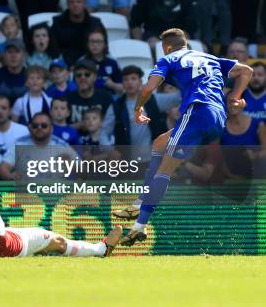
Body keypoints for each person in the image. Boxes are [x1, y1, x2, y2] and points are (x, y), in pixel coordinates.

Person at [119, 28, 253, 246]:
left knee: (165, 169)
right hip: (219, 119)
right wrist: (236, 97)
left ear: (167, 47)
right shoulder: (209, 57)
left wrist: (137, 109)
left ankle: (139, 226)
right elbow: (246, 70)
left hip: (197, 111)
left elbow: (147, 89)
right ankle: (139, 202)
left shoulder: (169, 58)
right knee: (159, 143)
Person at [108, 65, 178, 156]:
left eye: (133, 79)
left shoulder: (155, 100)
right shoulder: (116, 106)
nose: (130, 82)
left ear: (140, 82)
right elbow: (104, 133)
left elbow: (179, 97)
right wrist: (110, 151)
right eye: (126, 79)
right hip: (127, 161)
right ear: (122, 84)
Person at [0, 112, 76, 180]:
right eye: (35, 125)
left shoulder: (61, 145)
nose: (39, 128)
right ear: (30, 128)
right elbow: (2, 168)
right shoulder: (20, 143)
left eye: (44, 125)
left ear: (51, 128)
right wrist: (10, 176)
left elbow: (81, 170)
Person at [50, 0, 105, 66]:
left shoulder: (95, 23)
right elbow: (53, 47)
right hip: (64, 66)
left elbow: (103, 46)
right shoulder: (57, 23)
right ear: (67, 4)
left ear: (84, 3)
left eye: (78, 2)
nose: (75, 5)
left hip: (91, 65)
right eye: (72, 2)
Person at [219, 97, 266, 178]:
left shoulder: (258, 124)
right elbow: (219, 157)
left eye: (235, 101)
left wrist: (255, 156)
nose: (232, 105)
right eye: (229, 102)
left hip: (256, 177)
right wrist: (229, 175)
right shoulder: (221, 128)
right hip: (231, 179)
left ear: (243, 103)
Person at [66, 59, 114, 129]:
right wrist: (81, 124)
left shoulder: (105, 97)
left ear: (95, 77)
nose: (82, 77)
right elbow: (61, 127)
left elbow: (112, 123)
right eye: (78, 75)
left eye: (87, 74)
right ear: (75, 78)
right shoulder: (68, 98)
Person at [76, 27, 123, 95]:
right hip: (86, 98)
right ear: (87, 44)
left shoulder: (112, 62)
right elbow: (73, 86)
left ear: (104, 44)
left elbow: (123, 88)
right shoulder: (81, 62)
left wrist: (112, 85)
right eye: (92, 41)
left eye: (98, 41)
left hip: (109, 98)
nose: (95, 45)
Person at [0, 40, 28, 104]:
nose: (13, 56)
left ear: (24, 55)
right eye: (10, 52)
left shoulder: (31, 76)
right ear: (5, 55)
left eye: (17, 52)